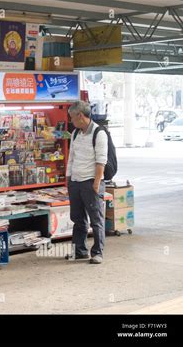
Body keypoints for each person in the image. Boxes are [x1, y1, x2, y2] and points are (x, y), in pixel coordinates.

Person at [66, 101, 108, 265]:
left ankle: (97, 253)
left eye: (72, 117)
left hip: (91, 182)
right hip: (75, 182)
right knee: (78, 218)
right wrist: (69, 179)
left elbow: (101, 161)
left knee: (96, 220)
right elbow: (71, 158)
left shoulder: (99, 133)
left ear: (80, 116)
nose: (71, 121)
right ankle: (79, 251)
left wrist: (96, 184)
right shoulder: (75, 133)